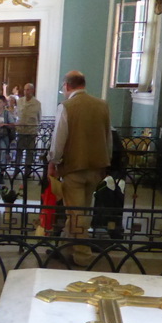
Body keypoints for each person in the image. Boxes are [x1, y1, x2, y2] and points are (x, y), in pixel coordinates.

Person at [47, 71, 112, 267]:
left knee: (76, 215)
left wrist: (53, 161)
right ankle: (65, 249)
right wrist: (106, 161)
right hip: (97, 166)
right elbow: (108, 136)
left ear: (67, 86)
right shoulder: (102, 105)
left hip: (74, 168)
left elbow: (59, 139)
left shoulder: (66, 107)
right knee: (82, 211)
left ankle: (83, 256)